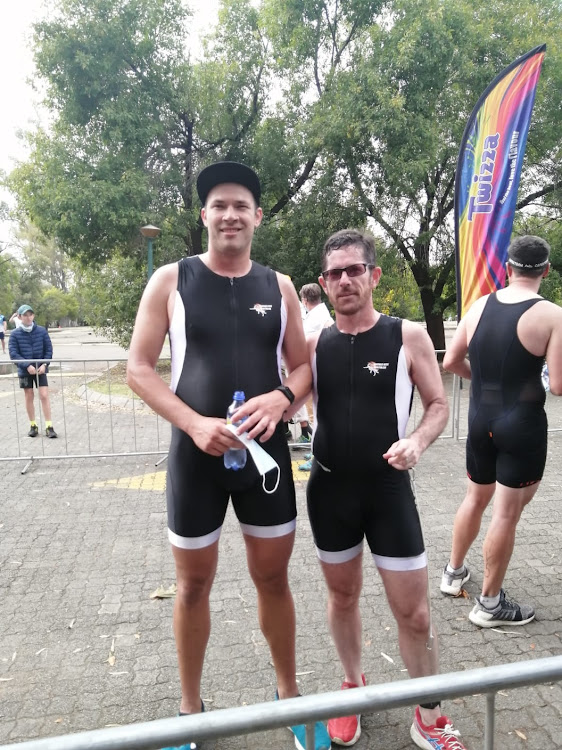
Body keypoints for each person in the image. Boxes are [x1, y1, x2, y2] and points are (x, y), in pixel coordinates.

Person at [126, 161, 330, 750]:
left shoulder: (280, 286)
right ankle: (192, 713)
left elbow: (301, 368)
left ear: (258, 215)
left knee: (273, 579)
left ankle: (288, 698)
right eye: (219, 204)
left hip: (265, 463)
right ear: (204, 215)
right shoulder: (172, 279)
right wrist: (192, 424)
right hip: (197, 462)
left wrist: (281, 398)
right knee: (192, 588)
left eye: (242, 204)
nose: (230, 214)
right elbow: (139, 369)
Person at [291, 229, 468, 749]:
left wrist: (416, 442)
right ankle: (353, 688)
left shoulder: (406, 336)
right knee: (342, 597)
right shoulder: (312, 343)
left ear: (374, 275)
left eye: (354, 269)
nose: (344, 280)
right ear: (323, 284)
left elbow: (438, 405)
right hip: (328, 491)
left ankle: (429, 714)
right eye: (334, 273)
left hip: (389, 491)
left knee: (413, 611)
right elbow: (280, 392)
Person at [441, 235, 562, 628]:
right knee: (507, 513)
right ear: (545, 270)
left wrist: (485, 383)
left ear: (507, 269)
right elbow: (558, 385)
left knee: (476, 498)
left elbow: (452, 362)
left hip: (480, 420)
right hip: (521, 424)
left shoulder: (478, 306)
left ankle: (453, 573)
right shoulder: (553, 316)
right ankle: (490, 604)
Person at [292, 284, 332, 450]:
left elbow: (302, 346)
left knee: (315, 414)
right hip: (322, 369)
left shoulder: (314, 319)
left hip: (316, 370)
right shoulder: (322, 314)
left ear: (305, 300)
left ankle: (317, 452)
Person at [9, 304, 58, 438]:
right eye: (25, 315)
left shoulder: (41, 331)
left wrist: (45, 364)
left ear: (33, 316)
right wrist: (26, 365)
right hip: (25, 370)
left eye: (30, 314)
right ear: (19, 317)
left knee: (44, 395)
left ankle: (49, 426)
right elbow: (14, 354)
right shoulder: (15, 334)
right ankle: (33, 425)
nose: (28, 317)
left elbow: (48, 350)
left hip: (40, 369)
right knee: (29, 395)